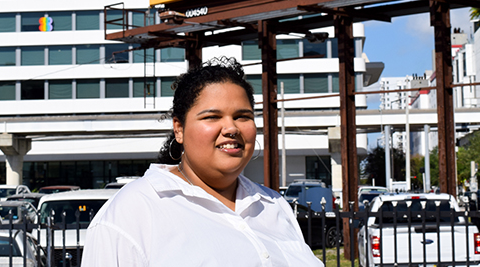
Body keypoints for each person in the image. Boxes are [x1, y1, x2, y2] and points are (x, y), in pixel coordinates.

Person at [82, 58, 323, 266]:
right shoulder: (132, 214)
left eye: (242, 116)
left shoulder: (274, 205)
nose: (231, 128)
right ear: (179, 129)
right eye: (212, 117)